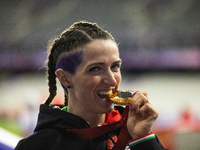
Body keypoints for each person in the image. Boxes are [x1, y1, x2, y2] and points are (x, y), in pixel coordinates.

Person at [15, 21, 167, 150]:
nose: (113, 81)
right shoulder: (38, 145)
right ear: (65, 78)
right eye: (95, 69)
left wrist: (143, 140)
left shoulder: (134, 134)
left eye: (115, 66)